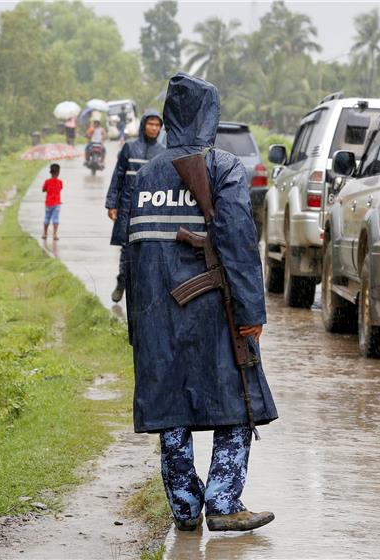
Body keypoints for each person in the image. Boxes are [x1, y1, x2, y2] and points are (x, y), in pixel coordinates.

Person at [125, 73, 278, 532]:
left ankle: (186, 507)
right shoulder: (224, 166)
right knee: (238, 403)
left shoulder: (146, 171)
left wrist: (136, 324)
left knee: (170, 407)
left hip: (154, 311)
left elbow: (131, 254)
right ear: (208, 116)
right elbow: (238, 242)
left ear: (170, 117)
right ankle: (225, 503)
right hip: (214, 310)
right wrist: (251, 313)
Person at [105, 109, 165, 302]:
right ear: (143, 125)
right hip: (127, 208)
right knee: (126, 247)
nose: (154, 128)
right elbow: (118, 176)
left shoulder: (162, 152)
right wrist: (112, 204)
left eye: (157, 125)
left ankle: (143, 289)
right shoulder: (129, 148)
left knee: (149, 249)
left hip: (151, 210)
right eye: (151, 124)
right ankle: (122, 282)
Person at [42, 163, 63, 240]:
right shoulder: (60, 182)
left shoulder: (47, 181)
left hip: (48, 203)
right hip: (57, 204)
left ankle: (45, 234)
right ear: (58, 172)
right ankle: (55, 235)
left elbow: (43, 190)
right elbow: (61, 188)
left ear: (50, 172)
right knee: (55, 219)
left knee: (47, 218)